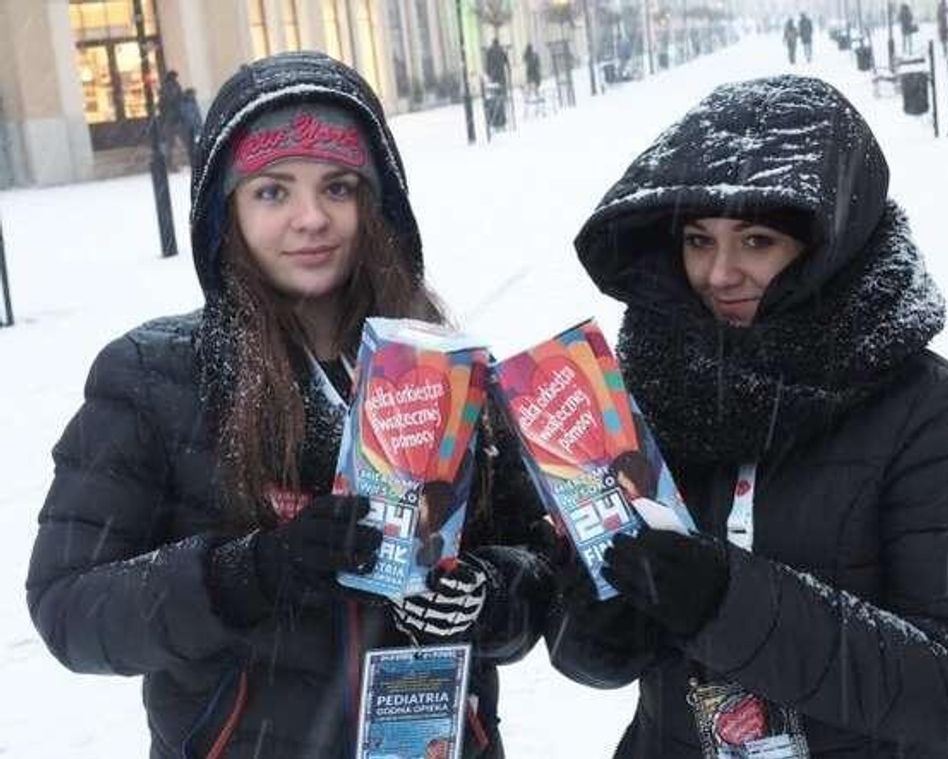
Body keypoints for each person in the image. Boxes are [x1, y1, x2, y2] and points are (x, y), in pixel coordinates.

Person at [25, 51, 553, 758]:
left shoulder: (444, 367)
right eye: (272, 192)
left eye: (338, 186)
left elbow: (535, 567)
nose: (311, 218)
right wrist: (244, 574)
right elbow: (70, 607)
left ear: (378, 203)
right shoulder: (153, 376)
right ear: (226, 212)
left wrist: (487, 597)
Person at [549, 75, 948, 757]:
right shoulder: (643, 397)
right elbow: (592, 661)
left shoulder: (936, 414)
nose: (719, 273)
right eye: (698, 239)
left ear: (829, 243)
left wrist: (726, 600)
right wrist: (600, 618)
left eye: (757, 239)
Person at [158, 69, 186, 165]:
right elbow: (173, 99)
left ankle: (170, 162)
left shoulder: (168, 86)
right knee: (172, 141)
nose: (176, 78)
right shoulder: (170, 86)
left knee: (172, 142)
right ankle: (169, 162)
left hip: (173, 117)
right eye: (174, 77)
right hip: (173, 117)